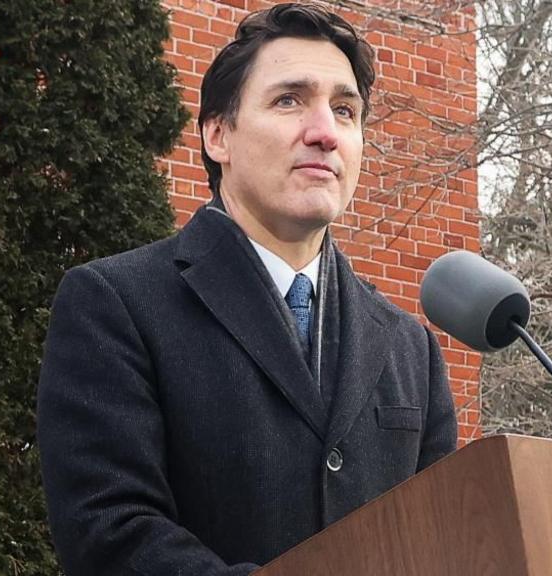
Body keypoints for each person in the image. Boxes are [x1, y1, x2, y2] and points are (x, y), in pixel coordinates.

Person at [36, 4, 457, 575]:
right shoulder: (115, 304)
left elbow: (442, 542)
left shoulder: (411, 348)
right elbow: (109, 532)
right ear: (217, 134)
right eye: (289, 100)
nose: (325, 133)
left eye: (345, 110)